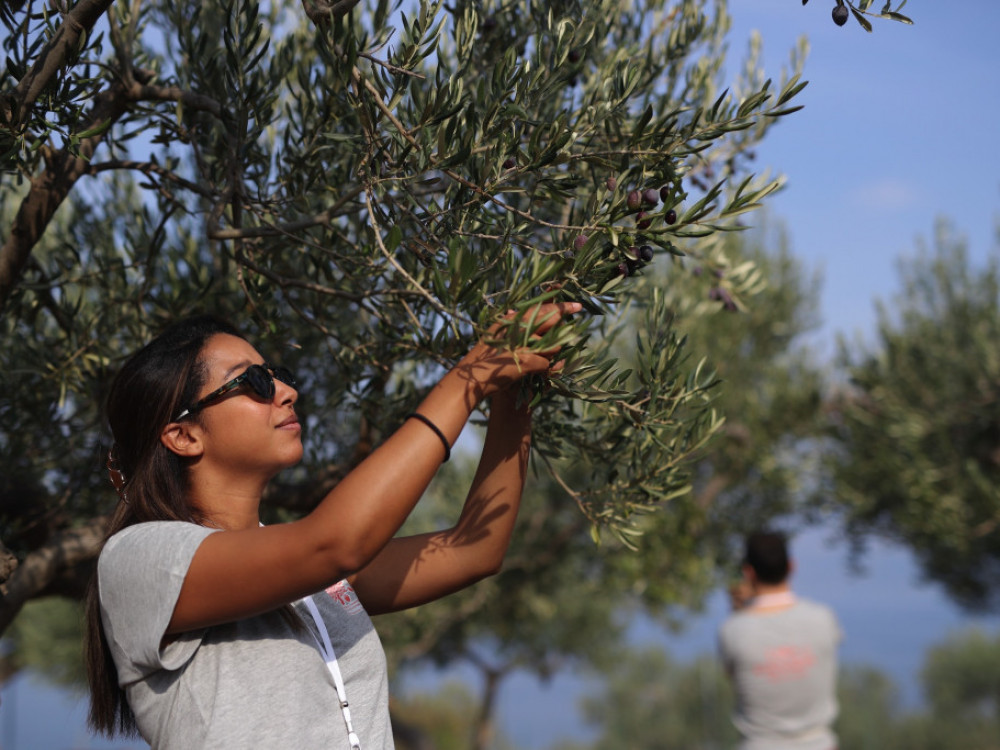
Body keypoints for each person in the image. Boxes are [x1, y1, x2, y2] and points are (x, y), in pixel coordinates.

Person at [84, 303, 580, 749]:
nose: (287, 391)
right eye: (252, 382)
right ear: (183, 435)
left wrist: (515, 394)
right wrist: (469, 379)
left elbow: (474, 548)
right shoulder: (138, 559)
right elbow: (336, 543)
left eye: (276, 374)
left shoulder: (307, 575)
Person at [717, 531, 842, 750]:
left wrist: (739, 610)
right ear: (791, 566)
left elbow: (733, 676)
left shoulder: (733, 630)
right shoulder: (823, 619)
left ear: (749, 573)